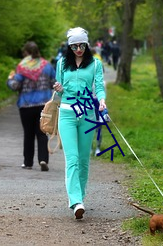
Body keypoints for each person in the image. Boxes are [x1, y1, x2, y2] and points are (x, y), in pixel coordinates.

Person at [53, 27, 106, 219]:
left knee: (84, 160)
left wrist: (101, 100)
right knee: (72, 159)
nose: (78, 49)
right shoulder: (61, 64)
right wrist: (58, 88)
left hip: (87, 114)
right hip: (67, 113)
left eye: (82, 45)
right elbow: (59, 93)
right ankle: (75, 201)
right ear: (69, 46)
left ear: (87, 44)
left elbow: (99, 86)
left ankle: (80, 197)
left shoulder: (95, 64)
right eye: (74, 46)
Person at [7, 41, 56, 171]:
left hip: (26, 105)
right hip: (43, 105)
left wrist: (10, 79)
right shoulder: (47, 66)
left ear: (26, 53)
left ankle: (28, 162)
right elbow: (54, 83)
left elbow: (15, 86)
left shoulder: (22, 67)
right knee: (42, 133)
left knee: (28, 134)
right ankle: (43, 159)